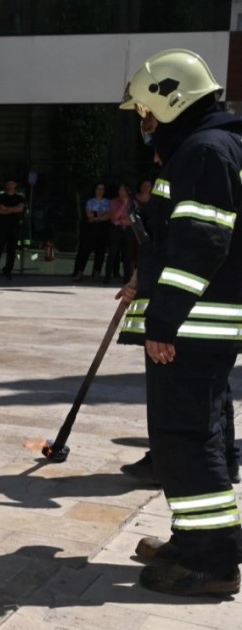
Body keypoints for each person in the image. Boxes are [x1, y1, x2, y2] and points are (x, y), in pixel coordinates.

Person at [116, 48, 242, 597]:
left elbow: (200, 244)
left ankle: (210, 561)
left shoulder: (204, 151)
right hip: (204, 325)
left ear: (172, 100)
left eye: (147, 111)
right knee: (198, 434)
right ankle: (194, 537)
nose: (144, 124)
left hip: (193, 327)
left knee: (186, 441)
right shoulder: (214, 146)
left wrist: (163, 322)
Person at [0, 178, 26, 281]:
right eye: (8, 184)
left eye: (12, 184)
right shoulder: (1, 196)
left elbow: (20, 209)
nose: (10, 186)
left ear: (15, 185)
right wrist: (13, 209)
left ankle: (8, 271)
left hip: (14, 228)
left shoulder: (20, 197)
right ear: (6, 185)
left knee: (12, 251)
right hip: (1, 227)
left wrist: (6, 208)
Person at [72, 183, 111, 281]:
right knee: (85, 250)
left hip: (103, 228)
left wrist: (95, 215)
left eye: (102, 189)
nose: (100, 191)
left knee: (100, 252)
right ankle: (80, 272)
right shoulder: (90, 201)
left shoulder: (108, 202)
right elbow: (89, 214)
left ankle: (96, 272)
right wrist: (101, 214)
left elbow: (108, 215)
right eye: (98, 188)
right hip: (91, 228)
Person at [104, 183, 137, 284]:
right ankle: (107, 277)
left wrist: (122, 221)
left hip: (128, 229)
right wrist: (123, 204)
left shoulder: (133, 203)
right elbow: (114, 216)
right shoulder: (114, 202)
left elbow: (132, 219)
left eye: (123, 190)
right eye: (120, 190)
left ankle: (127, 278)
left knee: (127, 254)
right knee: (112, 253)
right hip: (116, 229)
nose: (121, 192)